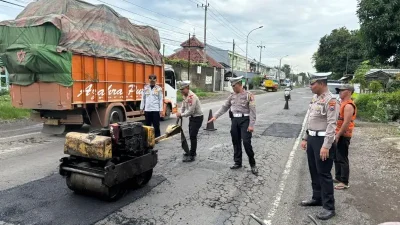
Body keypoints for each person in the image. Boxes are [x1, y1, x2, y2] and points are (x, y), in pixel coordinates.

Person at [300, 73, 339, 220]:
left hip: (323, 141)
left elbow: (331, 125)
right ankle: (317, 198)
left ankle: (329, 207)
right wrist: (306, 137)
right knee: (314, 170)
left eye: (313, 83)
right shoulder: (316, 98)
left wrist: (326, 146)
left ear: (321, 83)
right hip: (312, 139)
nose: (311, 86)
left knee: (324, 173)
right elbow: (311, 120)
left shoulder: (331, 101)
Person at [207, 76, 258, 175]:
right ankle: (237, 162)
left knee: (246, 142)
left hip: (245, 120)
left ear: (239, 85)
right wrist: (215, 116)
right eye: (232, 86)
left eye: (234, 86)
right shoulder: (232, 96)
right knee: (236, 141)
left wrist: (251, 125)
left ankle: (253, 164)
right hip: (235, 120)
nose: (233, 88)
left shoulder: (249, 95)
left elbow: (253, 111)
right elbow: (225, 107)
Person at [334, 84, 357, 190]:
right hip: (338, 133)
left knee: (342, 157)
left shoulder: (348, 105)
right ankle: (338, 177)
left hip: (344, 134)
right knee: (337, 157)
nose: (339, 92)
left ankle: (344, 181)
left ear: (348, 91)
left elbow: (346, 122)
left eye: (341, 90)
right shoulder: (342, 103)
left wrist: (338, 135)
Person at [176, 81, 204, 162]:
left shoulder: (192, 97)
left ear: (187, 88)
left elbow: (190, 111)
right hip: (192, 118)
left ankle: (192, 155)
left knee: (193, 136)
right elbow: (183, 106)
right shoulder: (185, 95)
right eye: (180, 89)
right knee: (191, 135)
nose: (181, 91)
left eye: (183, 89)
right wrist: (180, 112)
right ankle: (192, 152)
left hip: (197, 118)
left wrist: (181, 115)